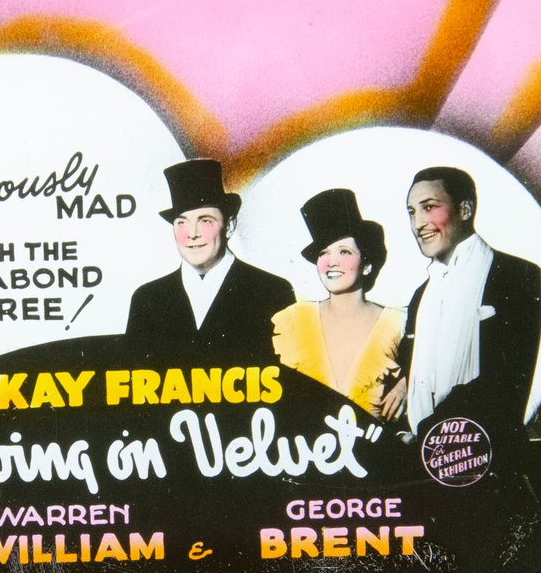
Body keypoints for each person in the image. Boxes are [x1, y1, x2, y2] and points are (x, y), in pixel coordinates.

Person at [385, 166, 541, 442]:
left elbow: (504, 384)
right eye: (411, 212)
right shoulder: (421, 295)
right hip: (419, 451)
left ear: (465, 210)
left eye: (429, 207)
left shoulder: (517, 275)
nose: (417, 224)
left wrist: (426, 434)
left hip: (487, 450)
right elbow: (409, 375)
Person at [124, 159, 295, 363]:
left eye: (205, 220)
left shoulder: (272, 292)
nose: (192, 233)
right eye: (182, 222)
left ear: (229, 226)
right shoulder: (148, 299)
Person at [271, 189, 405, 415]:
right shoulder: (294, 321)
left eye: (344, 252)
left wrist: (409, 383)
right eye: (323, 253)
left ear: (367, 265)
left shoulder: (397, 324)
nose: (331, 262)